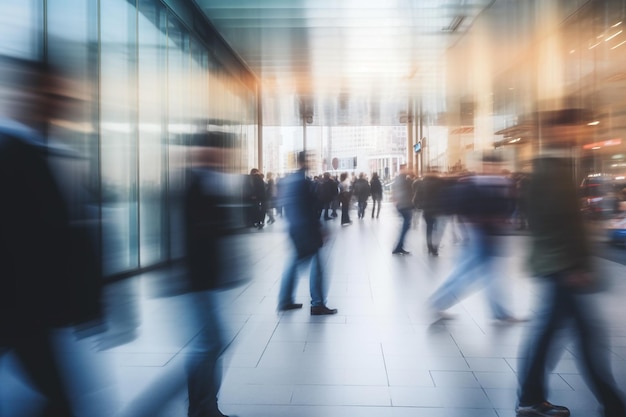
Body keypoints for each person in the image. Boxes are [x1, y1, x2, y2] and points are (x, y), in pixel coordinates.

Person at [0, 55, 101, 417]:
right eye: (50, 93)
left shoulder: (43, 152)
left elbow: (66, 234)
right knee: (56, 402)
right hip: (21, 315)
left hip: (35, 316)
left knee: (56, 400)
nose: (59, 104)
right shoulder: (14, 153)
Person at [515, 109, 626, 417]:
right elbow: (554, 224)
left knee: (555, 334)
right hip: (562, 268)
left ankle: (531, 398)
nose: (581, 134)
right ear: (560, 131)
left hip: (560, 266)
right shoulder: (552, 171)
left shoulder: (555, 167)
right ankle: (612, 402)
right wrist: (574, 266)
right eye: (576, 128)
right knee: (582, 334)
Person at [428, 157, 521, 322]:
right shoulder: (474, 184)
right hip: (479, 234)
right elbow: (463, 205)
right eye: (491, 166)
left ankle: (500, 312)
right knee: (474, 273)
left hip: (488, 234)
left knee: (485, 273)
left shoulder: (497, 183)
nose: (493, 169)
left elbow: (507, 205)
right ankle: (439, 302)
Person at [278, 151, 337, 315]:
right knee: (317, 265)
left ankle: (285, 299)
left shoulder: (289, 180)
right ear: (305, 161)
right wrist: (319, 228)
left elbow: (286, 205)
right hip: (306, 229)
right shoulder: (303, 182)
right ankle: (317, 303)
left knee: (294, 262)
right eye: (311, 159)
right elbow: (309, 209)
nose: (312, 162)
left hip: (295, 228)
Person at [391, 165, 414, 255]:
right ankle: (399, 247)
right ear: (403, 169)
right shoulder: (405, 179)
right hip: (405, 205)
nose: (408, 170)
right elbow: (411, 189)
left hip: (401, 205)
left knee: (406, 225)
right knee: (406, 225)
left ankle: (399, 246)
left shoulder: (398, 179)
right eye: (407, 168)